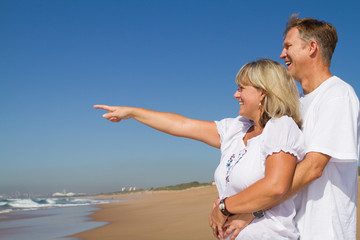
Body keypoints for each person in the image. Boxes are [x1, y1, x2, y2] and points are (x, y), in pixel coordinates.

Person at [94, 58, 305, 239]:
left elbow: (276, 185)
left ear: (263, 93)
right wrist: (132, 112)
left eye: (242, 88)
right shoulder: (236, 129)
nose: (235, 94)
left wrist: (224, 207)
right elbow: (182, 125)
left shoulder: (281, 127)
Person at [223, 14, 360, 240]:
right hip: (294, 230)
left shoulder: (337, 94)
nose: (281, 54)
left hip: (323, 231)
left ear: (312, 48)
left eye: (288, 46)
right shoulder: (296, 104)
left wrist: (251, 209)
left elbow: (312, 168)